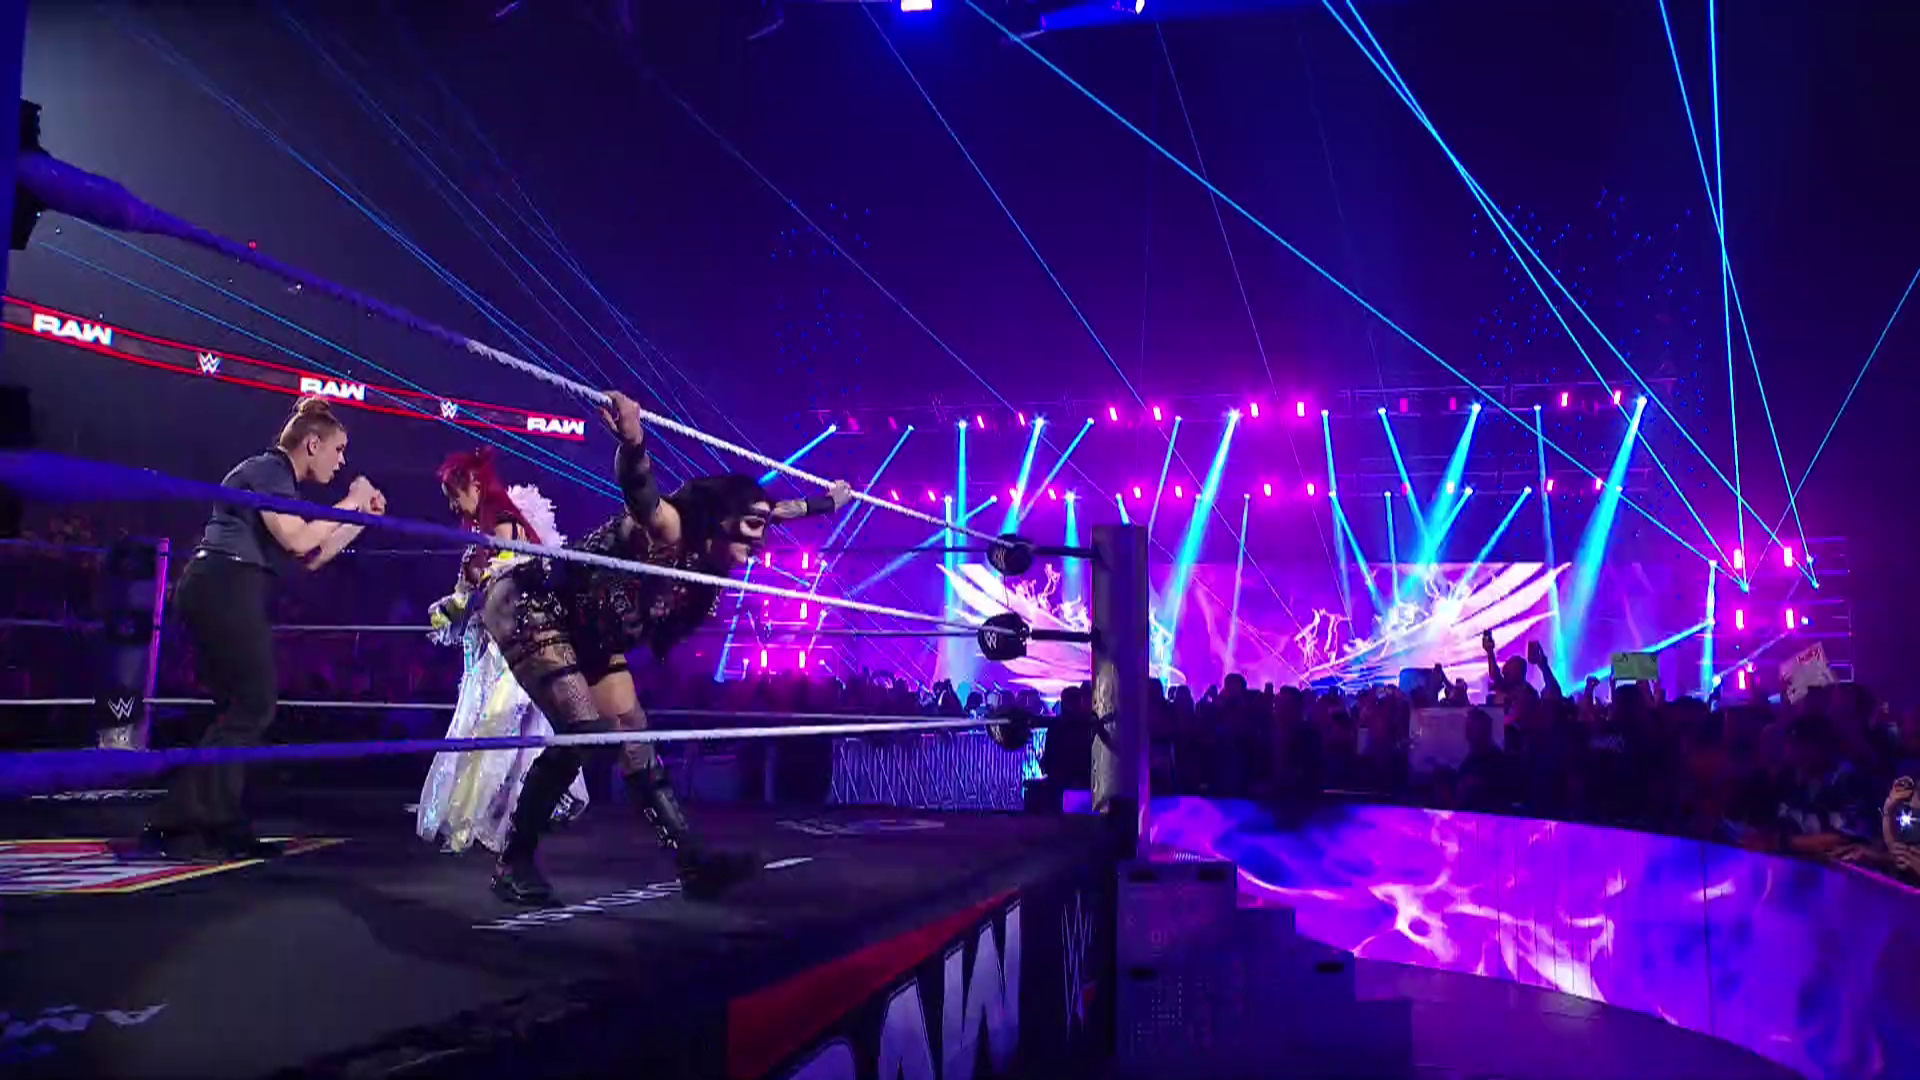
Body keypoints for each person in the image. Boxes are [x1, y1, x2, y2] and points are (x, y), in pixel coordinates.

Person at [479, 390, 852, 904]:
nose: (762, 540)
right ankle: (513, 862)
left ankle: (691, 862)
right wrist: (633, 443)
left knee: (634, 732)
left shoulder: (725, 535)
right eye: (752, 526)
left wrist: (826, 503)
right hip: (534, 604)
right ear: (720, 518)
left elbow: (776, 511)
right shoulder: (672, 528)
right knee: (583, 730)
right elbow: (642, 495)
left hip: (592, 627)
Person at [144, 396, 385, 860]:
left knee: (241, 708)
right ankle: (184, 818)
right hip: (223, 582)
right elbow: (298, 539)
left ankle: (208, 818)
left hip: (227, 584)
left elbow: (312, 556)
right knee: (253, 704)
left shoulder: (280, 482)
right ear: (312, 444)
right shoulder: (269, 468)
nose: (341, 461)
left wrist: (361, 518)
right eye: (338, 449)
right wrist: (352, 499)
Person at [416, 448, 588, 854]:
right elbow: (474, 592)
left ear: (475, 485)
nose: (452, 505)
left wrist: (467, 593)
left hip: (514, 644)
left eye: (455, 494)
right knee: (494, 728)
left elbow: (506, 587)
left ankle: (479, 821)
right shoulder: (487, 529)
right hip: (496, 645)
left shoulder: (505, 525)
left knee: (495, 728)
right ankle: (489, 818)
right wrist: (451, 606)